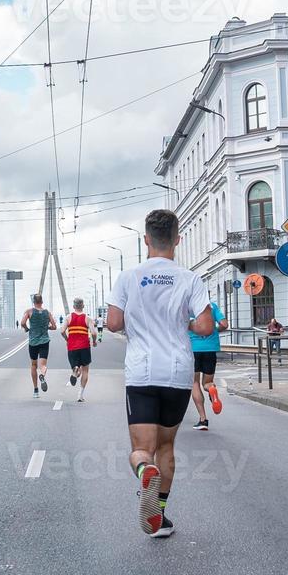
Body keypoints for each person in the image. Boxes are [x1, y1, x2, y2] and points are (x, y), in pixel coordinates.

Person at [105, 210, 214, 539]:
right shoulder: (189, 279)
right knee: (166, 446)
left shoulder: (128, 277)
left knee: (143, 449)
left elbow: (112, 323)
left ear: (146, 239)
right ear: (178, 240)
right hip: (178, 373)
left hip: (142, 372)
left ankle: (143, 470)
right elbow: (206, 327)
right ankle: (160, 515)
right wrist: (186, 322)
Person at [189, 298, 229, 429]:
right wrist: (214, 329)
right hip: (210, 349)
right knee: (207, 383)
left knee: (194, 383)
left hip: (192, 349)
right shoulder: (211, 306)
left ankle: (203, 419)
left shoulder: (186, 307)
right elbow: (224, 324)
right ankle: (211, 389)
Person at [59, 298, 94, 402]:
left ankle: (75, 371)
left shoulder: (68, 317)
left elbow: (62, 331)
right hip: (84, 347)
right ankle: (80, 395)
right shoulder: (87, 318)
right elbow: (94, 333)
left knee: (76, 367)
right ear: (83, 306)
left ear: (73, 306)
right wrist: (95, 341)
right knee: (85, 371)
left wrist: (67, 339)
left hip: (72, 347)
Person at [21, 293, 53, 398]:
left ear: (33, 302)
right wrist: (46, 328)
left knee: (34, 365)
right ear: (42, 302)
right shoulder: (47, 312)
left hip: (33, 342)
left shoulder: (29, 311)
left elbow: (22, 322)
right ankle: (42, 375)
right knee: (43, 365)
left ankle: (35, 390)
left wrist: (26, 328)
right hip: (44, 341)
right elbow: (54, 326)